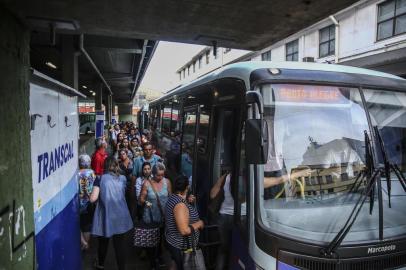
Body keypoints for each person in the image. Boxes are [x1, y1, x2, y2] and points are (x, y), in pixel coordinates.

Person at [91, 157, 133, 270]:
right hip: (121, 216)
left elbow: (93, 199)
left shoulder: (99, 178)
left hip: (106, 216)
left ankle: (100, 265)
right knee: (119, 245)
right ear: (116, 165)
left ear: (105, 165)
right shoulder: (123, 178)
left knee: (103, 242)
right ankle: (121, 268)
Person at [165, 175, 204, 270]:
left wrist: (187, 201)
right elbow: (184, 230)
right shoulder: (180, 205)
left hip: (173, 241)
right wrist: (199, 223)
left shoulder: (173, 197)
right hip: (181, 247)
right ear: (187, 187)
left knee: (175, 265)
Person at [139, 163, 171, 269]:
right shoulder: (146, 183)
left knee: (161, 239)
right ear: (153, 173)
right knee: (152, 242)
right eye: (158, 175)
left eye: (162, 174)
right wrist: (145, 202)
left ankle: (159, 257)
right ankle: (153, 263)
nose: (160, 177)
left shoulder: (167, 182)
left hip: (163, 217)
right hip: (150, 217)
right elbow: (141, 199)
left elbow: (171, 198)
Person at [210, 172, 245, 270]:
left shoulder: (226, 176)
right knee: (240, 249)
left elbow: (212, 194)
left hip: (224, 216)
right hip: (242, 217)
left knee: (223, 249)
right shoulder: (249, 176)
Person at [78, 154, 96, 250]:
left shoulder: (77, 174)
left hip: (78, 203)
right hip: (89, 202)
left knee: (79, 224)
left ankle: (83, 243)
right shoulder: (92, 173)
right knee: (87, 225)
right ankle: (86, 244)